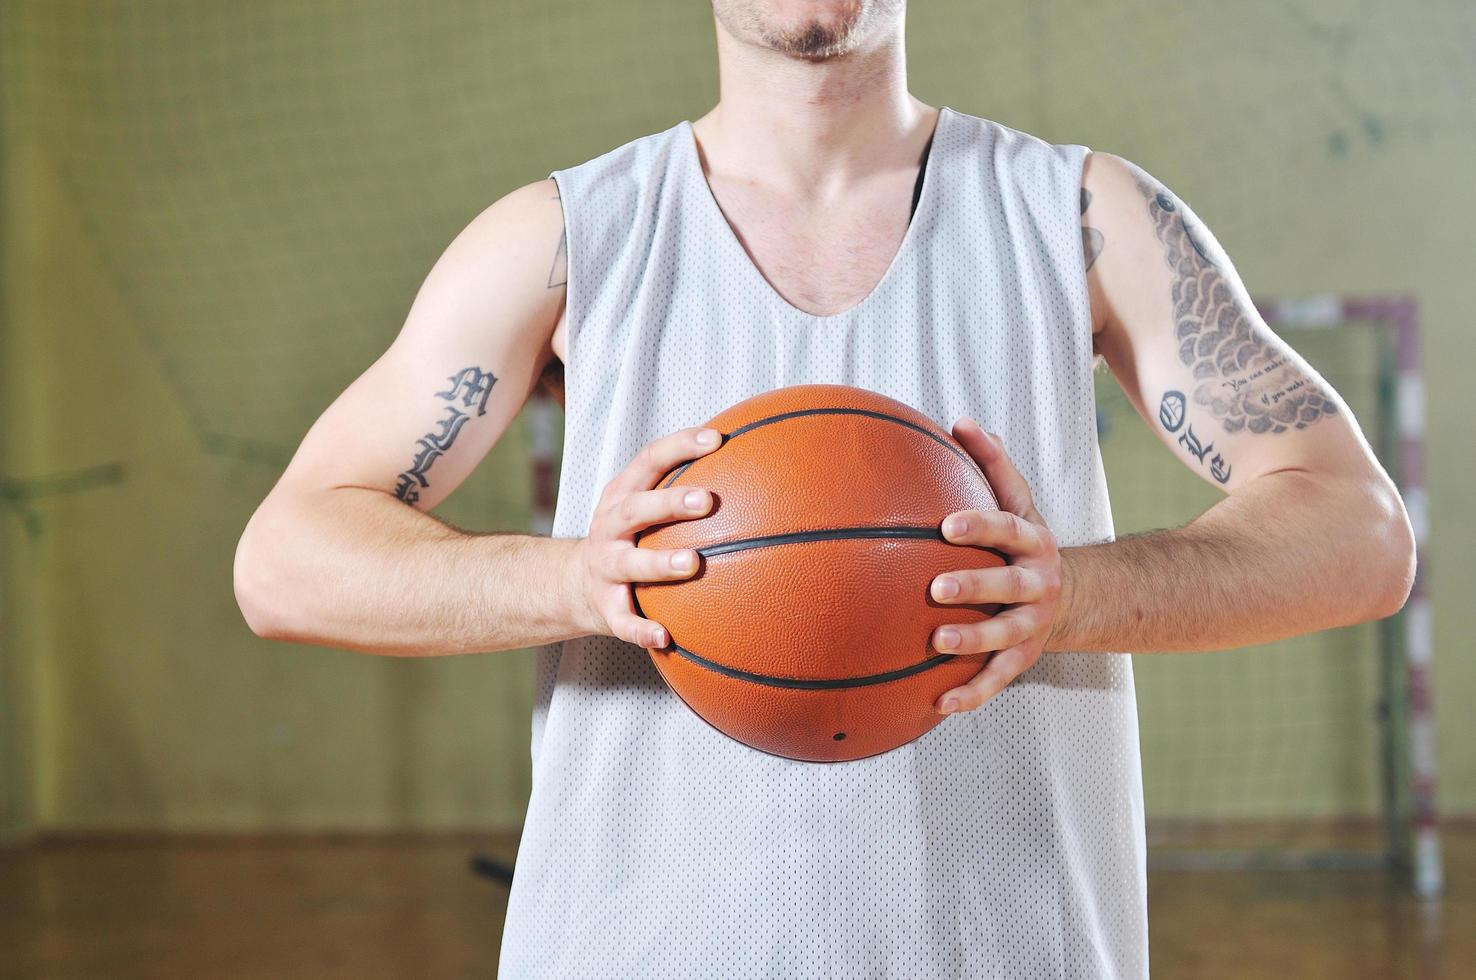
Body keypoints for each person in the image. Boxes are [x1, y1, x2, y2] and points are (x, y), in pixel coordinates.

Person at [233, 1, 1415, 975]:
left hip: (1012, 943)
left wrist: (1064, 595)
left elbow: (1359, 532)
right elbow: (285, 560)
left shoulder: (1081, 219)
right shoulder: (564, 239)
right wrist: (580, 579)